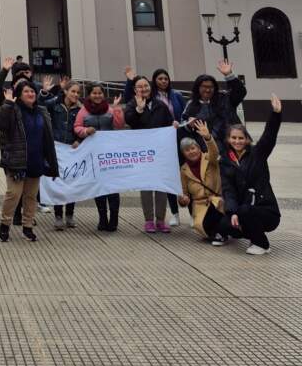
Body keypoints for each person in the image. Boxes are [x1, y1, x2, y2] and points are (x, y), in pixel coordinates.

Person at [0, 80, 59, 243]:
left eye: (32, 91)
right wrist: (8, 103)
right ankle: (5, 224)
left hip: (36, 160)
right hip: (17, 161)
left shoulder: (41, 111)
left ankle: (28, 227)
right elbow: (0, 124)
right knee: (13, 194)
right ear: (19, 94)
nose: (30, 94)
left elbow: (47, 138)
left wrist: (50, 162)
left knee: (31, 197)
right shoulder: (13, 110)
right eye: (26, 91)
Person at [220, 94, 283, 255]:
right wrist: (232, 211)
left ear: (247, 139)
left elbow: (269, 137)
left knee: (245, 212)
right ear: (228, 139)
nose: (237, 141)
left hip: (266, 210)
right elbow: (229, 190)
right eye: (233, 138)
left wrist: (275, 114)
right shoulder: (226, 161)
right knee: (225, 223)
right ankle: (252, 232)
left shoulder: (257, 153)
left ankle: (261, 244)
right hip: (243, 209)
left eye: (241, 138)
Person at [125, 65, 186, 225]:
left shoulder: (160, 105)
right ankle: (149, 220)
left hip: (160, 152)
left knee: (160, 185)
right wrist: (139, 108)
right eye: (139, 86)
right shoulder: (132, 104)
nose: (143, 88)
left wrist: (172, 125)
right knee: (146, 185)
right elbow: (129, 120)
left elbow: (167, 123)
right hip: (143, 152)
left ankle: (160, 219)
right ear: (135, 90)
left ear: (150, 87)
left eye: (145, 86)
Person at [74, 83, 125, 232]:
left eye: (100, 93)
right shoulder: (83, 111)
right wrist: (85, 131)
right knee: (98, 188)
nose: (97, 96)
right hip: (93, 155)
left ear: (103, 95)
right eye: (94, 93)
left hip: (110, 155)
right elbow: (76, 127)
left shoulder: (110, 109)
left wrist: (117, 110)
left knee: (113, 188)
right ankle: (102, 218)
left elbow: (119, 125)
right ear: (89, 95)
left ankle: (114, 219)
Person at [39, 78, 81, 230]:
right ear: (65, 91)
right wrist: (44, 92)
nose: (75, 95)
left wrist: (78, 140)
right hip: (57, 148)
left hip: (72, 149)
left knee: (71, 182)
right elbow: (40, 104)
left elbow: (83, 127)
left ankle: (69, 215)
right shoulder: (56, 103)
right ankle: (58, 216)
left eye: (77, 92)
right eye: (73, 91)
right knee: (57, 181)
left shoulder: (80, 109)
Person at [178, 120, 226, 245]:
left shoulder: (209, 159)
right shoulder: (183, 170)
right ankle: (217, 233)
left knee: (217, 214)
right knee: (200, 226)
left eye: (193, 148)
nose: (191, 152)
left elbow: (214, 153)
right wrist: (183, 199)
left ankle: (222, 233)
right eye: (187, 150)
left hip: (216, 200)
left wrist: (208, 138)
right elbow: (184, 193)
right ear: (184, 154)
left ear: (198, 148)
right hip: (199, 205)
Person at [182, 60, 247, 149]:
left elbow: (240, 92)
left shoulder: (224, 98)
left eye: (211, 87)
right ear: (198, 88)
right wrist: (189, 125)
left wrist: (229, 75)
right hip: (207, 148)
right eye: (204, 87)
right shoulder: (191, 105)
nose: (208, 90)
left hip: (232, 145)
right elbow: (184, 124)